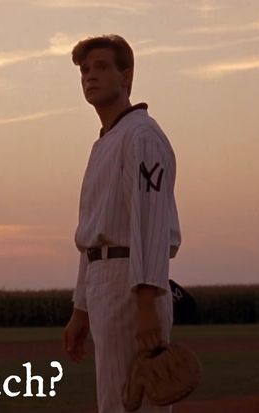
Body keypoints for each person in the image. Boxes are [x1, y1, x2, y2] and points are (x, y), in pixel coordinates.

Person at [61, 34, 182, 413]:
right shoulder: (106, 142)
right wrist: (81, 309)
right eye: (84, 70)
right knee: (115, 400)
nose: (90, 76)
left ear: (126, 78)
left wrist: (147, 300)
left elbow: (150, 220)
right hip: (105, 282)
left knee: (138, 402)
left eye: (101, 67)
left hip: (133, 281)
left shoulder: (141, 136)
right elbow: (94, 235)